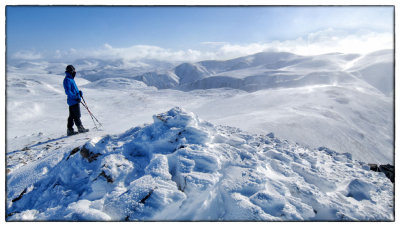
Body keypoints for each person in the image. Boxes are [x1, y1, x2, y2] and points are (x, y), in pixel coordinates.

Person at [63, 65, 89, 136]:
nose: (75, 73)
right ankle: (80, 128)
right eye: (74, 71)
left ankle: (70, 130)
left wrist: (79, 93)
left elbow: (73, 90)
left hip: (74, 100)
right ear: (71, 71)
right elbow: (68, 91)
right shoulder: (67, 80)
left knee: (72, 116)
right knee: (77, 115)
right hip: (73, 100)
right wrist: (75, 97)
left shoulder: (70, 79)